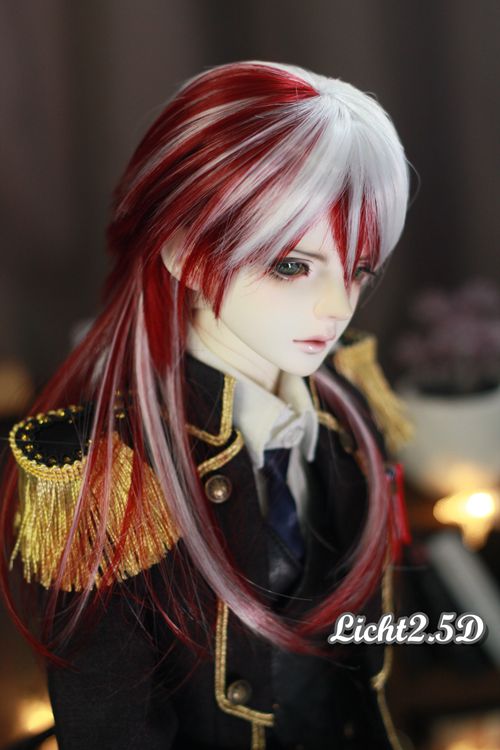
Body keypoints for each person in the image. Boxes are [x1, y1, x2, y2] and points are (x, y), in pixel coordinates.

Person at [1, 60, 411, 749]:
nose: (337, 306)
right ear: (185, 252)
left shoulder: (347, 404)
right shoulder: (104, 474)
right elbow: (113, 728)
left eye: (359, 269)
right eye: (291, 266)